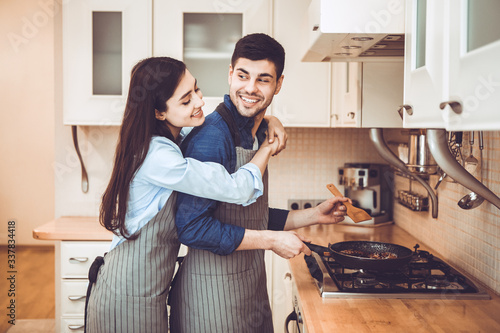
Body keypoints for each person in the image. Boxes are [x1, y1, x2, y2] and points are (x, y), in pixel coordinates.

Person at [85, 56, 288, 333]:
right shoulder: (158, 157)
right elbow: (237, 188)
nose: (199, 101)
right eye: (186, 100)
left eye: (196, 89)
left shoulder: (173, 140)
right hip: (126, 295)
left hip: (149, 293)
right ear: (159, 112)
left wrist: (270, 119)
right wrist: (265, 149)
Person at [169, 33, 350, 332]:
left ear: (279, 84)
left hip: (246, 290)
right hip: (211, 300)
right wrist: (271, 240)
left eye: (263, 79)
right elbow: (190, 227)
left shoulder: (254, 132)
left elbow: (248, 216)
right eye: (243, 75)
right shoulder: (214, 137)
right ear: (230, 74)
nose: (250, 88)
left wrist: (313, 215)